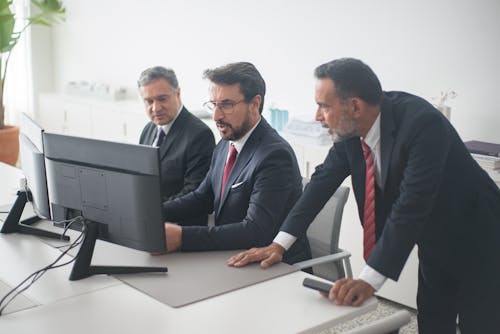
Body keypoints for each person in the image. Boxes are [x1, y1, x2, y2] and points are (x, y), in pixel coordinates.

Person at [227, 58, 500, 333]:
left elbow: (411, 205)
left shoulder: (422, 125)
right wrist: (279, 245)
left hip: (482, 237)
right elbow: (320, 184)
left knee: (480, 323)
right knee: (433, 321)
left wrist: (369, 279)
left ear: (354, 106)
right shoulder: (351, 133)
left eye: (323, 106)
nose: (317, 116)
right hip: (433, 238)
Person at [162, 62, 310, 265]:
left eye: (226, 105)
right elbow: (202, 197)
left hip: (274, 269)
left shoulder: (275, 155)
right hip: (231, 258)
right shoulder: (227, 142)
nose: (216, 116)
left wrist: (182, 237)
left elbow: (254, 231)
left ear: (255, 104)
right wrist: (155, 212)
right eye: (213, 105)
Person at [138, 66, 215, 225]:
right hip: (149, 223)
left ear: (178, 93)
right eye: (149, 101)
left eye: (162, 99)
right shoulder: (148, 129)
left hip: (180, 228)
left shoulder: (199, 135)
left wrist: (150, 211)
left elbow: (194, 195)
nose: (156, 108)